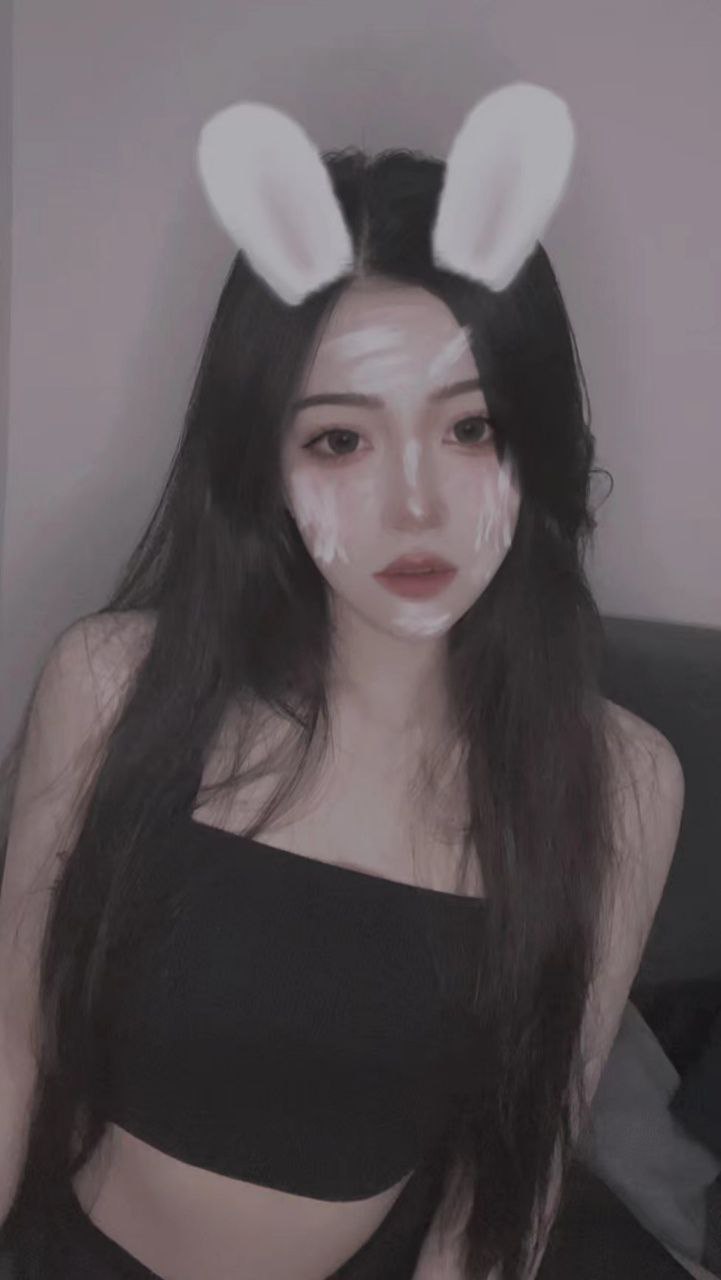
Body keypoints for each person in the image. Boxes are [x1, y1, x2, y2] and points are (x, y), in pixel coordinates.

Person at [0, 83, 687, 1279]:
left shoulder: (618, 780)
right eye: (339, 439)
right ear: (262, 457)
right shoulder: (111, 685)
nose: (414, 505)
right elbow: (10, 1045)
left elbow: (506, 1186)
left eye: (470, 429)